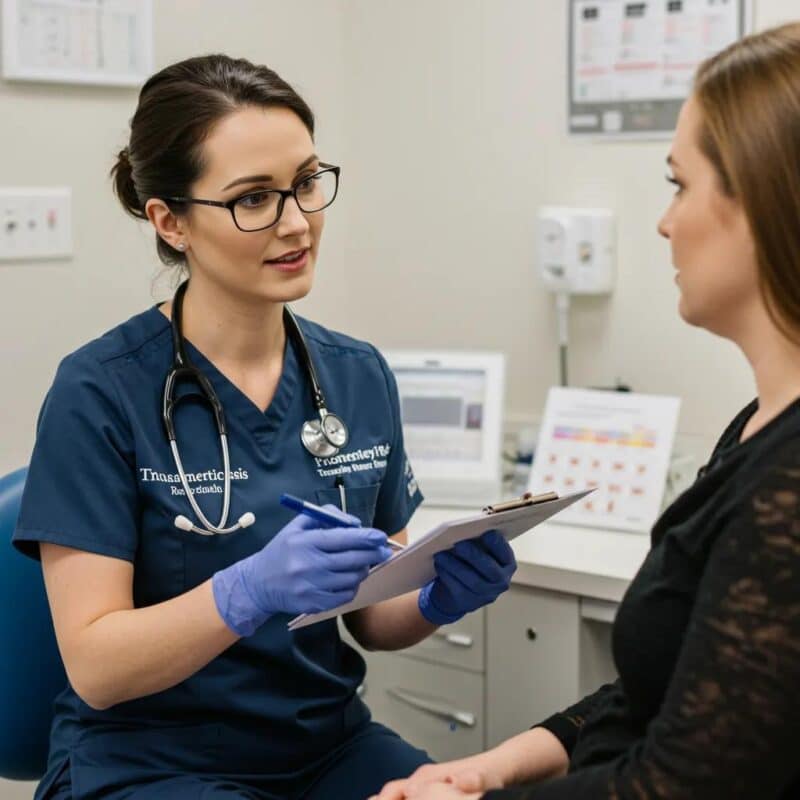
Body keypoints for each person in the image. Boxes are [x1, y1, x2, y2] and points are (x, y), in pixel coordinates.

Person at [12, 54, 518, 800]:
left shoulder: (357, 375)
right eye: (253, 199)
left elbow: (376, 621)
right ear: (170, 221)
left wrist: (439, 595)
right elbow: (98, 665)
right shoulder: (100, 391)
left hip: (326, 747)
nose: (296, 223)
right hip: (149, 762)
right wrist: (244, 591)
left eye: (306, 184)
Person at [372, 20, 800, 800]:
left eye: (679, 184)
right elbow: (656, 696)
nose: (665, 222)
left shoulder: (789, 486)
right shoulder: (755, 430)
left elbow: (684, 783)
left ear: (765, 198)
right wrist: (490, 767)